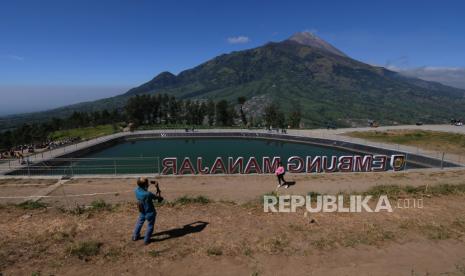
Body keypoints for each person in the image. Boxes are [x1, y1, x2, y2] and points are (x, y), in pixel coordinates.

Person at [132, 177, 164, 245]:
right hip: (150, 212)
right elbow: (158, 198)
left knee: (139, 223)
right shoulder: (148, 194)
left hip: (142, 211)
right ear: (145, 185)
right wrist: (158, 190)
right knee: (150, 225)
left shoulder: (136, 190)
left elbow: (142, 187)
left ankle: (135, 236)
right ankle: (146, 240)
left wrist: (150, 183)